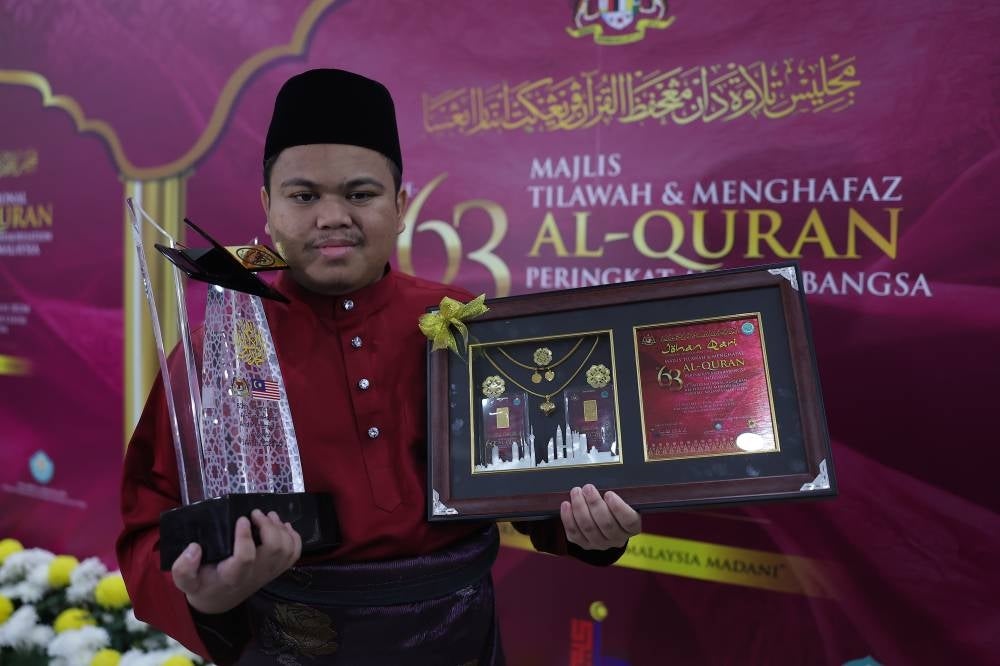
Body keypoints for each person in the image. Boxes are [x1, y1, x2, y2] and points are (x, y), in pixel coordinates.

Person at [117, 68, 642, 666]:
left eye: (360, 194)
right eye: (304, 195)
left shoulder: (463, 321)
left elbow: (537, 482)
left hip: (457, 640)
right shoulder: (224, 346)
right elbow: (147, 525)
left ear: (400, 205)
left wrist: (590, 529)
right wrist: (208, 597)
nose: (332, 216)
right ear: (268, 208)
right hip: (290, 645)